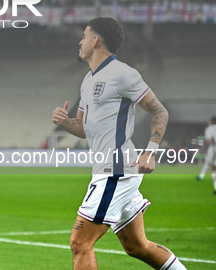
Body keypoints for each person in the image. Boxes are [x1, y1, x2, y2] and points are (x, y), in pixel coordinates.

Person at [52, 17, 187, 270]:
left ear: (95, 41)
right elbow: (82, 129)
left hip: (116, 172)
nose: (79, 41)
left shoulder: (123, 74)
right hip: (111, 172)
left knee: (80, 243)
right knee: (137, 246)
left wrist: (151, 152)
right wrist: (64, 122)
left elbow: (160, 112)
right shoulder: (87, 81)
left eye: (84, 36)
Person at [196, 116, 216, 193]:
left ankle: (201, 176)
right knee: (213, 167)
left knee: (209, 163)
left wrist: (205, 149)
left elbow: (208, 140)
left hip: (213, 148)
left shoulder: (209, 129)